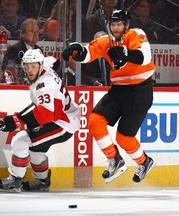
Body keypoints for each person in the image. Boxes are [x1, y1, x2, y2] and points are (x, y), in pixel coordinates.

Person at [62, 10, 155, 184]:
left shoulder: (136, 34)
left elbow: (144, 57)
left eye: (119, 24)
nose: (116, 28)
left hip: (140, 92)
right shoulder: (107, 41)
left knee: (124, 138)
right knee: (95, 121)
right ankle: (114, 159)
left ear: (126, 25)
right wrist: (76, 51)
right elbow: (88, 53)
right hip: (118, 90)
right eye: (113, 24)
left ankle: (144, 161)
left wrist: (124, 53)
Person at [0, 49, 80, 192]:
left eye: (33, 66)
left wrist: (16, 120)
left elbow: (45, 114)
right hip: (60, 116)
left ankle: (15, 179)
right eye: (27, 66)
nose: (30, 70)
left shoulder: (44, 86)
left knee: (20, 140)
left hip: (63, 122)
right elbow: (55, 61)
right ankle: (42, 181)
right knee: (35, 148)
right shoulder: (45, 63)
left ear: (40, 66)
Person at [0, 18, 41, 84]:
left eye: (37, 32)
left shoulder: (39, 50)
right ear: (22, 34)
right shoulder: (14, 49)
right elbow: (8, 70)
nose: (35, 34)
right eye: (31, 31)